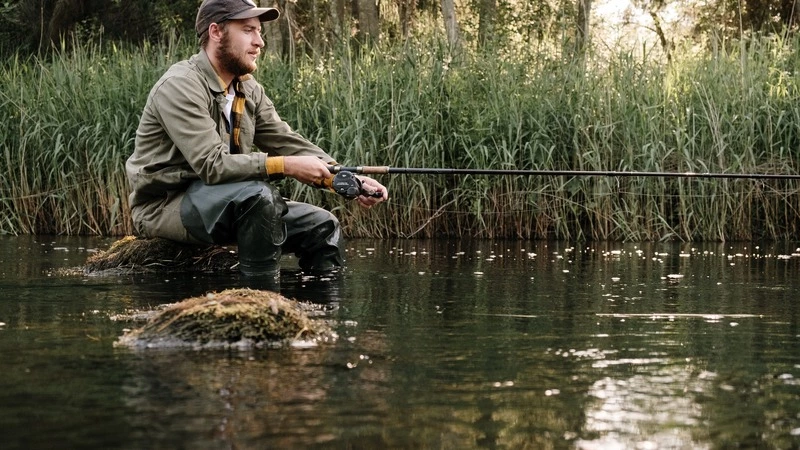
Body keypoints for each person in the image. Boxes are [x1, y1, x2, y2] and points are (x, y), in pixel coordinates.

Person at [125, 0, 388, 279]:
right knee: (259, 196)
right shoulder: (180, 85)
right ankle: (261, 301)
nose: (259, 42)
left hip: (230, 202)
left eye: (259, 32)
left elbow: (286, 140)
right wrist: (285, 166)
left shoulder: (247, 88)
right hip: (165, 207)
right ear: (216, 32)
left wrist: (343, 178)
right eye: (248, 30)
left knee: (322, 225)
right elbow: (213, 165)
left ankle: (319, 316)